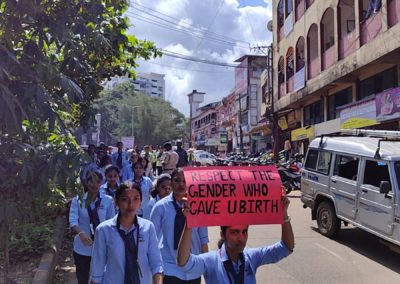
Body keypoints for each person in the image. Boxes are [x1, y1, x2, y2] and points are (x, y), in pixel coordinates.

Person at [177, 190, 294, 284]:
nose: (241, 238)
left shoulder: (251, 257)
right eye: (234, 232)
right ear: (223, 235)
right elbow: (184, 262)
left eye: (244, 232)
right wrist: (189, 225)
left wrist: (284, 216)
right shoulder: (211, 261)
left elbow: (286, 248)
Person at [90, 182, 163, 284]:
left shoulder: (148, 227)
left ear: (141, 202)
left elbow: (156, 263)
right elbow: (97, 267)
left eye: (136, 199)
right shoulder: (103, 230)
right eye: (125, 199)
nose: (130, 204)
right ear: (116, 201)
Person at [150, 168, 209, 284]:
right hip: (169, 267)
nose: (181, 184)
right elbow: (151, 241)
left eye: (185, 180)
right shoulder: (160, 207)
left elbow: (203, 240)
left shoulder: (198, 206)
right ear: (171, 183)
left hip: (193, 266)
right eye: (177, 180)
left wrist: (206, 267)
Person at [69, 171, 115, 284]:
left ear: (102, 183)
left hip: (102, 246)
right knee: (83, 278)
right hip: (82, 246)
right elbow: (73, 220)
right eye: (91, 181)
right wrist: (81, 233)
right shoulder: (78, 200)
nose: (94, 185)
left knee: (99, 278)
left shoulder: (108, 200)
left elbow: (112, 222)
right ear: (86, 182)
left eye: (98, 182)